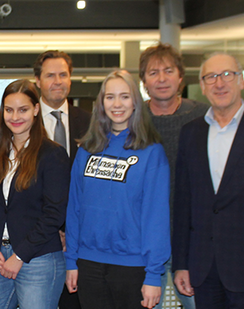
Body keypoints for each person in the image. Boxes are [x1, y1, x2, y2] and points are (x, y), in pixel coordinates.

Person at [173, 52, 244, 308]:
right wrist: (181, 264)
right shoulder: (191, 134)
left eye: (227, 74)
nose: (220, 82)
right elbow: (184, 203)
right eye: (211, 77)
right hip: (203, 270)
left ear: (241, 81)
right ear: (203, 86)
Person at [65, 70, 170, 309]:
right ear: (101, 103)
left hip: (133, 266)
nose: (117, 104)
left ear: (136, 102)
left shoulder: (152, 153)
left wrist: (154, 274)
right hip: (88, 264)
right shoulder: (86, 150)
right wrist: (71, 260)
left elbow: (156, 218)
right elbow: (75, 209)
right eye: (110, 97)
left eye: (124, 96)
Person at [0, 79, 70, 309]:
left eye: (23, 109)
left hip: (38, 258)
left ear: (36, 109)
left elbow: (54, 214)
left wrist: (20, 256)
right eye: (9, 110)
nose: (15, 116)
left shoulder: (52, 154)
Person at [139, 42, 208, 309]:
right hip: (143, 242)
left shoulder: (203, 116)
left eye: (169, 71)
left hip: (193, 241)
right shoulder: (133, 118)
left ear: (180, 77)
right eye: (154, 72)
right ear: (144, 80)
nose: (162, 78)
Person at [34, 49, 91, 309]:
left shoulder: (91, 123)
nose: (57, 81)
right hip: (37, 236)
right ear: (37, 80)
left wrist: (70, 230)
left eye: (63, 74)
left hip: (82, 237)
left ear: (71, 78)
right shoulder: (25, 121)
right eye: (50, 75)